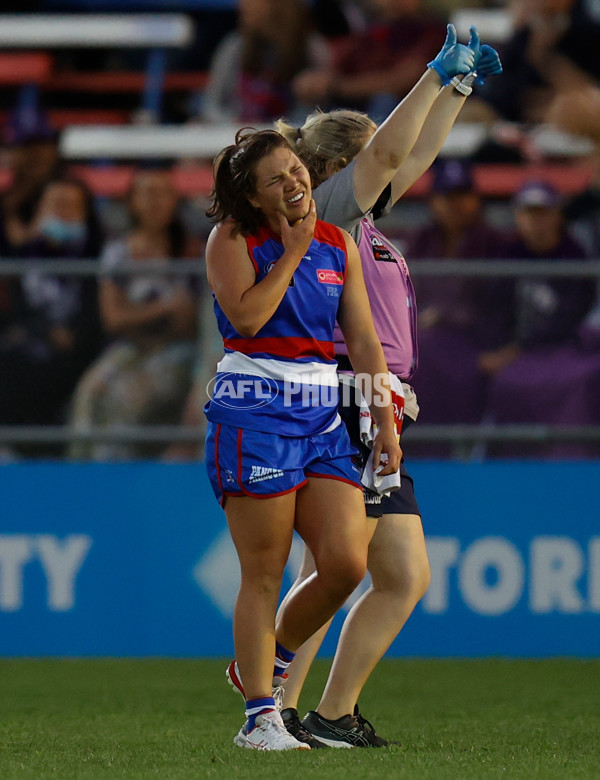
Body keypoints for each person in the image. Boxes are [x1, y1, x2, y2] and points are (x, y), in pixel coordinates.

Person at [246, 27, 502, 747]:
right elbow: (394, 151)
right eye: (369, 158)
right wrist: (432, 73)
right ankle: (275, 714)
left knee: (395, 575)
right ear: (334, 165)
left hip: (376, 405)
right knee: (340, 567)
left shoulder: (366, 224)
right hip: (348, 400)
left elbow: (412, 154)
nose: (393, 171)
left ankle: (316, 717)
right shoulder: (325, 209)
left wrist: (458, 88)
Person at [203, 128, 401, 750]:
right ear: (254, 199)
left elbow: (364, 342)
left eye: (294, 169)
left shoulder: (338, 243)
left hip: (320, 414)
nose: (293, 183)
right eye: (276, 180)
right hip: (254, 414)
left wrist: (385, 418)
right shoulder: (232, 239)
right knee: (263, 570)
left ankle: (269, 663)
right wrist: (289, 253)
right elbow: (248, 317)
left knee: (345, 562)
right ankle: (261, 717)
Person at [68, 168, 200, 461]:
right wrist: (163, 309)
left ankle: (113, 481)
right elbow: (114, 319)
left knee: (125, 399)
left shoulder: (193, 252)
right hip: (130, 347)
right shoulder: (118, 253)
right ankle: (79, 475)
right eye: (147, 194)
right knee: (90, 393)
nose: (156, 202)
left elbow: (191, 323)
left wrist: (140, 315)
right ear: (132, 202)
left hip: (179, 351)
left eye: (163, 194)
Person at [403, 157, 512, 455]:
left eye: (462, 195)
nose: (455, 205)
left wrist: (446, 316)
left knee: (445, 366)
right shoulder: (421, 241)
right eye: (446, 197)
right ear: (432, 201)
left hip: (475, 343)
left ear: (475, 199)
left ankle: (452, 452)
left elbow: (500, 310)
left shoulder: (496, 243)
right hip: (425, 340)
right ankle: (416, 452)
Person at [484, 179, 597, 458]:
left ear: (557, 215)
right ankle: (504, 459)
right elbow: (496, 312)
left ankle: (572, 459)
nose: (537, 221)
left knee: (578, 382)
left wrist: (518, 348)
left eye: (543, 212)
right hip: (515, 352)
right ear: (517, 217)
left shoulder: (575, 256)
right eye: (529, 213)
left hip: (563, 349)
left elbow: (572, 316)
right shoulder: (508, 256)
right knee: (499, 381)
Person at [0, 175, 103, 455]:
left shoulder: (99, 257)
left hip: (80, 351)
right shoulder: (18, 257)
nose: (62, 213)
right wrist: (44, 331)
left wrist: (74, 334)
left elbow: (100, 314)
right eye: (55, 205)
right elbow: (16, 312)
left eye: (71, 206)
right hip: (27, 349)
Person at [199, 0, 330, 124]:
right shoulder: (235, 46)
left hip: (293, 135)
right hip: (237, 133)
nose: (243, 5)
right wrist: (230, 123)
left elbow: (320, 108)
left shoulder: (311, 46)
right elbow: (212, 103)